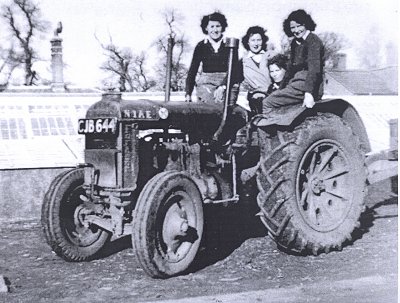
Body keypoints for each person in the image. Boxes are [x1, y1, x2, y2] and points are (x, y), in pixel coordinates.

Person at [262, 9, 325, 115]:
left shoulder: (313, 41)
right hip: (296, 84)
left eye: (299, 26)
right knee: (270, 96)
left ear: (306, 24)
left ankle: (268, 130)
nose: (296, 30)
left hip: (306, 85)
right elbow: (290, 69)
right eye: (292, 27)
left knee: (267, 103)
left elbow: (314, 69)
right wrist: (281, 87)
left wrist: (309, 93)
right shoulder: (295, 43)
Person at [185, 12, 240, 103]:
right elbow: (193, 70)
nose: (215, 30)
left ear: (222, 27)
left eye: (218, 26)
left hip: (228, 81)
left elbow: (234, 69)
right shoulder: (201, 45)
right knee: (209, 109)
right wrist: (188, 93)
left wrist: (223, 87)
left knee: (227, 108)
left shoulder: (230, 44)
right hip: (207, 83)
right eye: (212, 26)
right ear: (206, 28)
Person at [240, 26, 275, 114]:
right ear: (247, 42)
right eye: (253, 40)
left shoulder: (270, 55)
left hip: (273, 92)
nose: (256, 44)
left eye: (258, 40)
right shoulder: (243, 61)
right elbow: (233, 77)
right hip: (256, 96)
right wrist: (222, 86)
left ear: (263, 41)